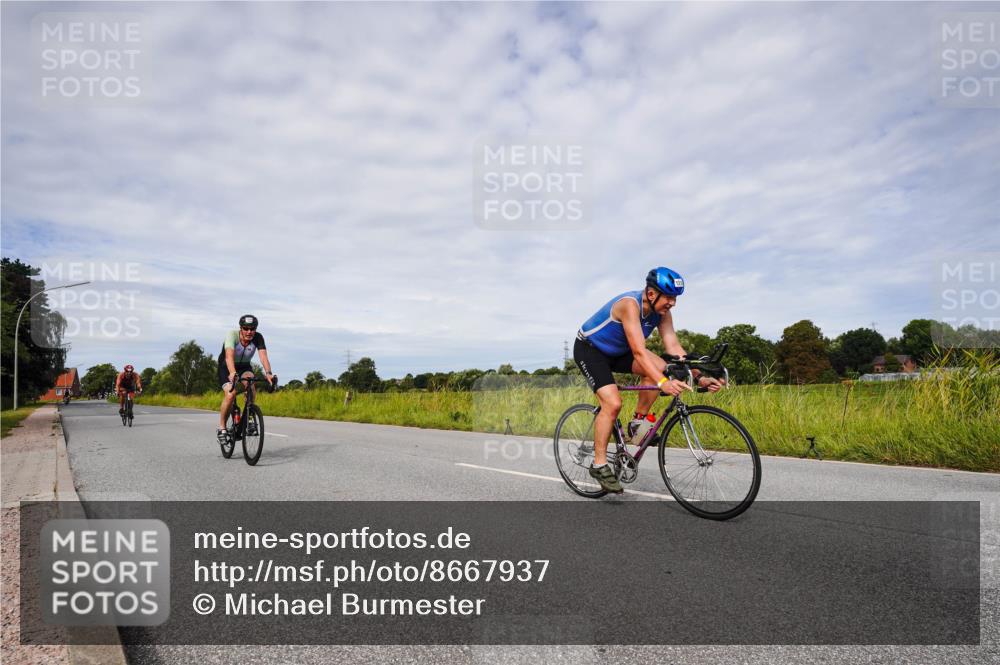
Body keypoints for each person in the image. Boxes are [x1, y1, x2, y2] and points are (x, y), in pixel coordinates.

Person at [574, 267, 724, 493]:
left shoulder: (662, 312)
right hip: (591, 350)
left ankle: (637, 424)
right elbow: (639, 352)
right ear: (652, 294)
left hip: (620, 351)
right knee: (613, 403)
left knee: (664, 366)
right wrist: (663, 383)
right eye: (669, 297)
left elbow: (674, 348)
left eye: (675, 298)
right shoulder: (629, 305)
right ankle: (599, 464)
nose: (672, 303)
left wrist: (700, 376)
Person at [217, 315, 276, 443]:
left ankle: (249, 419)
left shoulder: (258, 337)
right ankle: (222, 428)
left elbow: (263, 357)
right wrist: (232, 372)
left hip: (244, 367)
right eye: (246, 328)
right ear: (241, 328)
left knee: (251, 385)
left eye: (252, 329)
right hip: (227, 367)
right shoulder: (232, 335)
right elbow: (229, 356)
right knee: (230, 394)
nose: (249, 332)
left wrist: (268, 373)